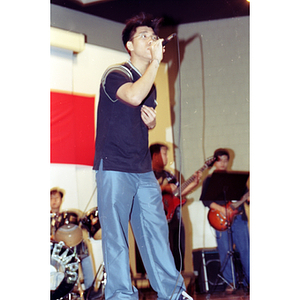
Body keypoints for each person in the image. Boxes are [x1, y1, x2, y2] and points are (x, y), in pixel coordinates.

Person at [93, 12, 193, 300]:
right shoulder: (116, 74)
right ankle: (121, 295)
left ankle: (173, 293)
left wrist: (150, 123)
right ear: (129, 45)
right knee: (116, 236)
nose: (151, 40)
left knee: (156, 232)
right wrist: (157, 62)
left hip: (142, 169)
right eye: (144, 36)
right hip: (113, 167)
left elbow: (143, 108)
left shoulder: (152, 83)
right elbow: (134, 96)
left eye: (153, 36)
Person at [199, 148, 249, 293]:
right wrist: (222, 210)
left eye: (225, 160)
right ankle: (231, 281)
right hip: (219, 219)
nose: (223, 163)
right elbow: (206, 200)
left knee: (245, 249)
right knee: (224, 250)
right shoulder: (209, 180)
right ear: (214, 162)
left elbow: (247, 199)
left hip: (239, 218)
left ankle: (250, 281)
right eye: (219, 160)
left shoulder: (237, 179)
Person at [150, 143, 202, 271]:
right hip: (157, 221)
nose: (167, 157)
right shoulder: (146, 174)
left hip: (175, 219)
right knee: (161, 252)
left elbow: (179, 192)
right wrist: (164, 187)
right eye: (164, 154)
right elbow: (146, 193)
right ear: (155, 156)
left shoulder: (168, 174)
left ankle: (178, 281)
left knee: (178, 251)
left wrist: (194, 184)